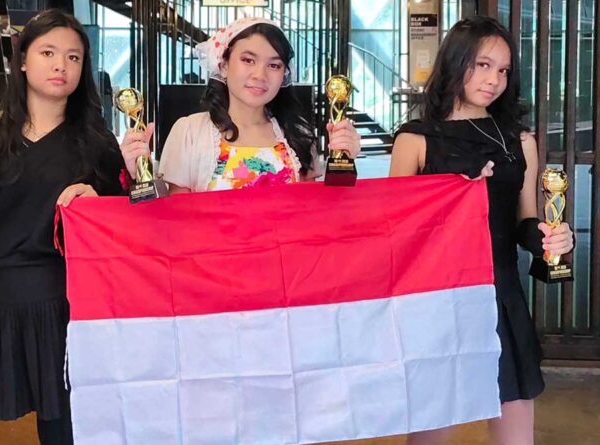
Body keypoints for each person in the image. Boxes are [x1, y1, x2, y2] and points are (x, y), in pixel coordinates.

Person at [0, 10, 136, 445]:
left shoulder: (98, 145)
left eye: (74, 57)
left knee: (66, 435)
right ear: (22, 61)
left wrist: (102, 205)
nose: (61, 65)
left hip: (68, 313)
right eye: (48, 53)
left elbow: (126, 240)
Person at [389, 16, 574, 445]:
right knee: (430, 432)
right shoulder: (414, 140)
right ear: (455, 62)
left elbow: (524, 221)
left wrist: (553, 239)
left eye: (503, 70)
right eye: (482, 65)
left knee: (516, 430)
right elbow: (396, 231)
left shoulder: (519, 140)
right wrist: (452, 195)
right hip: (438, 300)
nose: (494, 80)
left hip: (501, 295)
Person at [120, 17, 360, 192]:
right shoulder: (189, 132)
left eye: (274, 65)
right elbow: (172, 218)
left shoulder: (298, 135)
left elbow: (315, 215)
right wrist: (138, 173)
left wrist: (345, 161)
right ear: (223, 65)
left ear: (284, 74)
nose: (260, 75)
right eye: (248, 60)